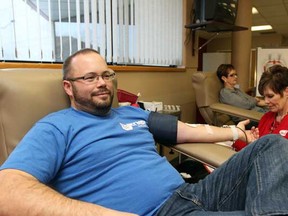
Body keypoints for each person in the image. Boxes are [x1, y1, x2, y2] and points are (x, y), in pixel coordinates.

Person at [0, 48, 288, 216]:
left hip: (193, 193)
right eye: (89, 77)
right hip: (159, 212)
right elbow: (7, 190)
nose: (102, 83)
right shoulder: (57, 126)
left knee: (273, 144)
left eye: (106, 75)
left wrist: (234, 134)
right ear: (68, 87)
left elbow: (186, 130)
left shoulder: (131, 112)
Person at [233, 65, 288, 151]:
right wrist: (246, 138)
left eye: (270, 96)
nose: (266, 101)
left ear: (286, 91)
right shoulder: (267, 118)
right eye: (264, 96)